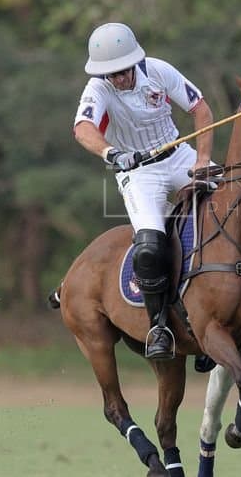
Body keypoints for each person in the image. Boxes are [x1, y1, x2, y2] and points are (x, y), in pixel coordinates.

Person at [72, 22, 214, 359]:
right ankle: (160, 326)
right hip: (138, 172)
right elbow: (82, 128)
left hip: (179, 155)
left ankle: (221, 313)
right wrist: (113, 153)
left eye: (122, 71)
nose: (118, 79)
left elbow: (201, 110)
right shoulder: (99, 88)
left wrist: (204, 160)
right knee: (150, 247)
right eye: (111, 74)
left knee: (228, 212)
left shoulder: (159, 71)